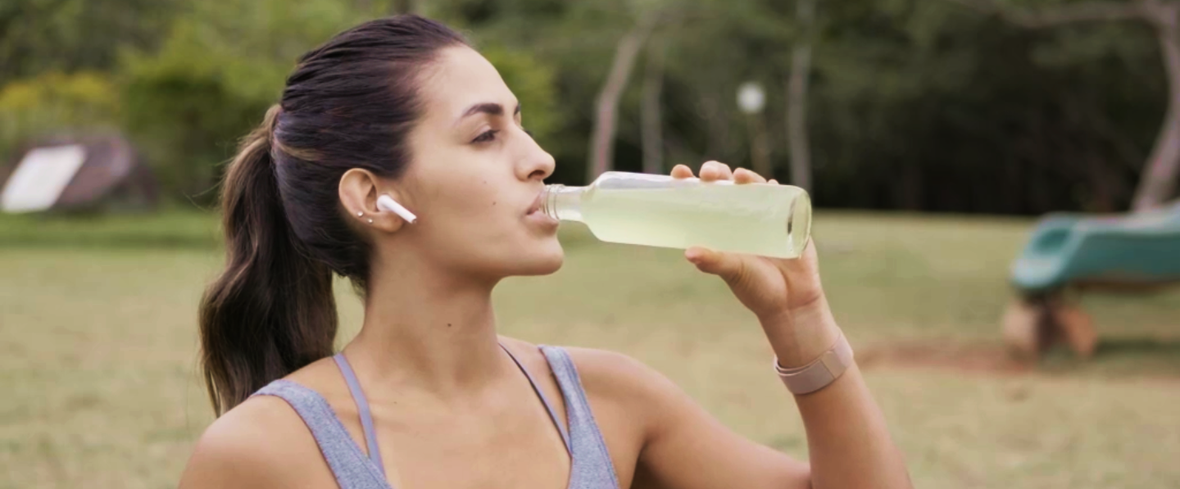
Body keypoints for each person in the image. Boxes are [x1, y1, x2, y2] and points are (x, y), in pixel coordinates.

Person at [179, 15, 911, 489]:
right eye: (485, 134)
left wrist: (802, 319)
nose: (539, 159)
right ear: (371, 196)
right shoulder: (266, 452)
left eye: (521, 126)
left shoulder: (607, 400)